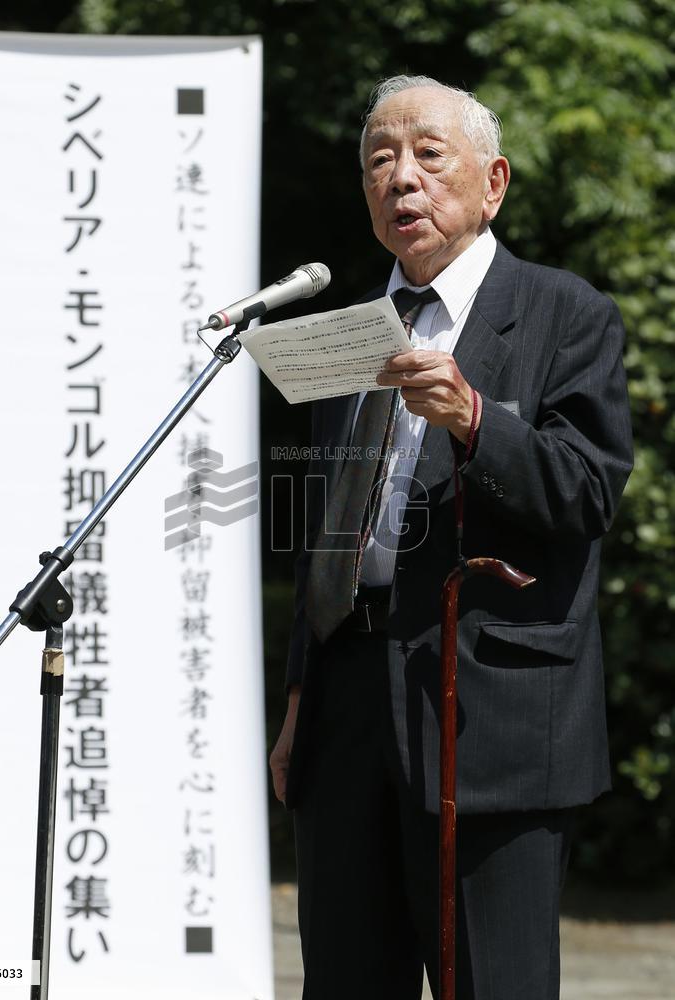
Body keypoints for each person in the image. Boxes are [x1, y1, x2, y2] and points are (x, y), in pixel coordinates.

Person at [269, 75, 633, 1000]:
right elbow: (327, 536)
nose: (402, 179)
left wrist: (477, 419)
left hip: (492, 710)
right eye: (379, 161)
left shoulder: (565, 314)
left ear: (493, 182)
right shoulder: (351, 332)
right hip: (348, 709)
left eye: (429, 155)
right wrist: (300, 699)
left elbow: (589, 491)